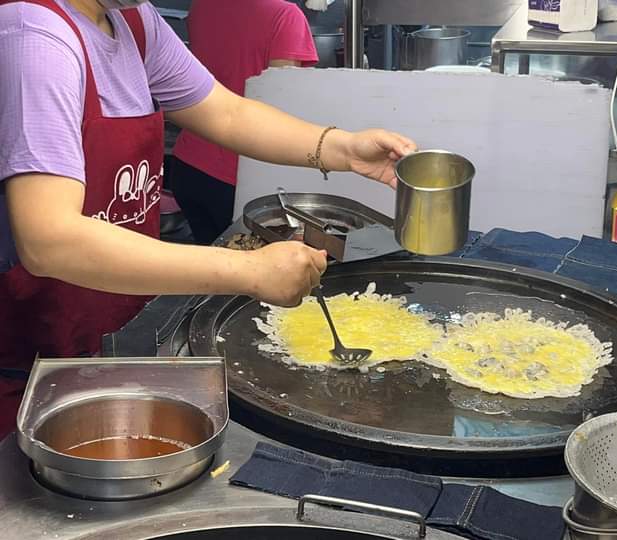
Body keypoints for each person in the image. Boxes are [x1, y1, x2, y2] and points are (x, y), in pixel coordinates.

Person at [0, 0, 416, 439]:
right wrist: (249, 271)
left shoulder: (132, 20)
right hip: (32, 352)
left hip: (108, 326)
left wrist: (344, 149)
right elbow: (50, 239)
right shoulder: (38, 38)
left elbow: (225, 112)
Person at [172, 0, 319, 244]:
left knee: (211, 268)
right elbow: (284, 103)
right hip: (241, 179)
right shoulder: (286, 16)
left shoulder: (202, 6)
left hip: (189, 165)